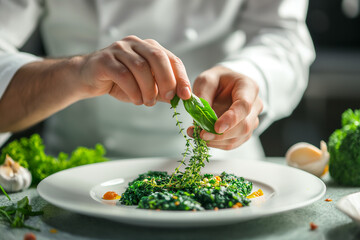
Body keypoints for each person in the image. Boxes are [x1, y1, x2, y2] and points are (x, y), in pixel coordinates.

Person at [0, 0, 315, 159]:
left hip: (224, 165)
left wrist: (251, 75)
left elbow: (282, 33)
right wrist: (78, 71)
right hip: (74, 170)